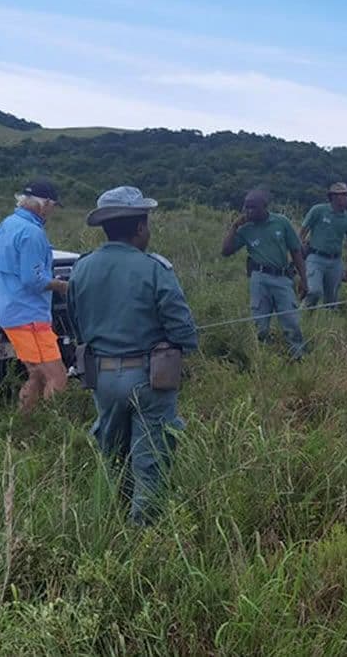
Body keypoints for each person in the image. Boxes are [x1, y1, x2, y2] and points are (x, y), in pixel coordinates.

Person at [68, 186, 198, 526]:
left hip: (103, 378)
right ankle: (145, 532)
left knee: (113, 453)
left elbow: (75, 322)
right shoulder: (155, 269)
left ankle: (115, 519)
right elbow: (183, 330)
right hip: (149, 380)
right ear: (140, 227)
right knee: (151, 456)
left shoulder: (81, 268)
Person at [0, 179, 69, 414]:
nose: (52, 211)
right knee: (57, 377)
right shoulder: (32, 233)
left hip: (9, 312)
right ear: (45, 204)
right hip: (30, 316)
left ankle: (25, 425)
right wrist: (62, 286)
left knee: (37, 375)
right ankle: (53, 430)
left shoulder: (6, 224)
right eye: (52, 206)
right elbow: (34, 281)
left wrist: (10, 285)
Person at [221, 189, 309, 358]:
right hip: (259, 278)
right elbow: (226, 251)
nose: (248, 211)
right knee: (260, 324)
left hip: (283, 278)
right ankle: (262, 357)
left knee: (291, 321)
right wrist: (234, 227)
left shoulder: (281, 222)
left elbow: (296, 251)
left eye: (253, 207)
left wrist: (304, 280)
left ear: (264, 206)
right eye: (246, 207)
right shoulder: (246, 229)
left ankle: (298, 357)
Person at [299, 182, 347, 308]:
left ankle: (327, 325)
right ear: (334, 197)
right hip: (315, 257)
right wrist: (298, 257)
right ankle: (302, 316)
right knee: (314, 291)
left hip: (335, 261)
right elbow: (302, 232)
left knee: (332, 301)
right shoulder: (318, 210)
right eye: (344, 195)